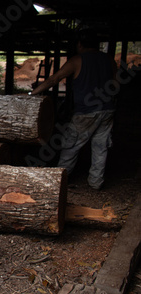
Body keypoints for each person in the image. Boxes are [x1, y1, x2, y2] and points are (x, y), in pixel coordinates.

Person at [31, 29, 118, 190]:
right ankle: (96, 183)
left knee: (70, 146)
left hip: (86, 112)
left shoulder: (77, 60)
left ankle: (58, 182)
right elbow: (115, 83)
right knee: (100, 147)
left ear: (79, 44)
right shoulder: (108, 59)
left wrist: (32, 93)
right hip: (107, 110)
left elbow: (54, 79)